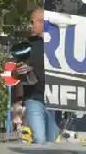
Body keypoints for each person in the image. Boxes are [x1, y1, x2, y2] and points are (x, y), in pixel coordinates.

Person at [12, 8, 58, 144]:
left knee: (52, 140)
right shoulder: (28, 45)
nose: (30, 25)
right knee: (39, 139)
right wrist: (19, 71)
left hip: (54, 100)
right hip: (34, 99)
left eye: (34, 22)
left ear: (44, 23)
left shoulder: (59, 45)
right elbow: (14, 73)